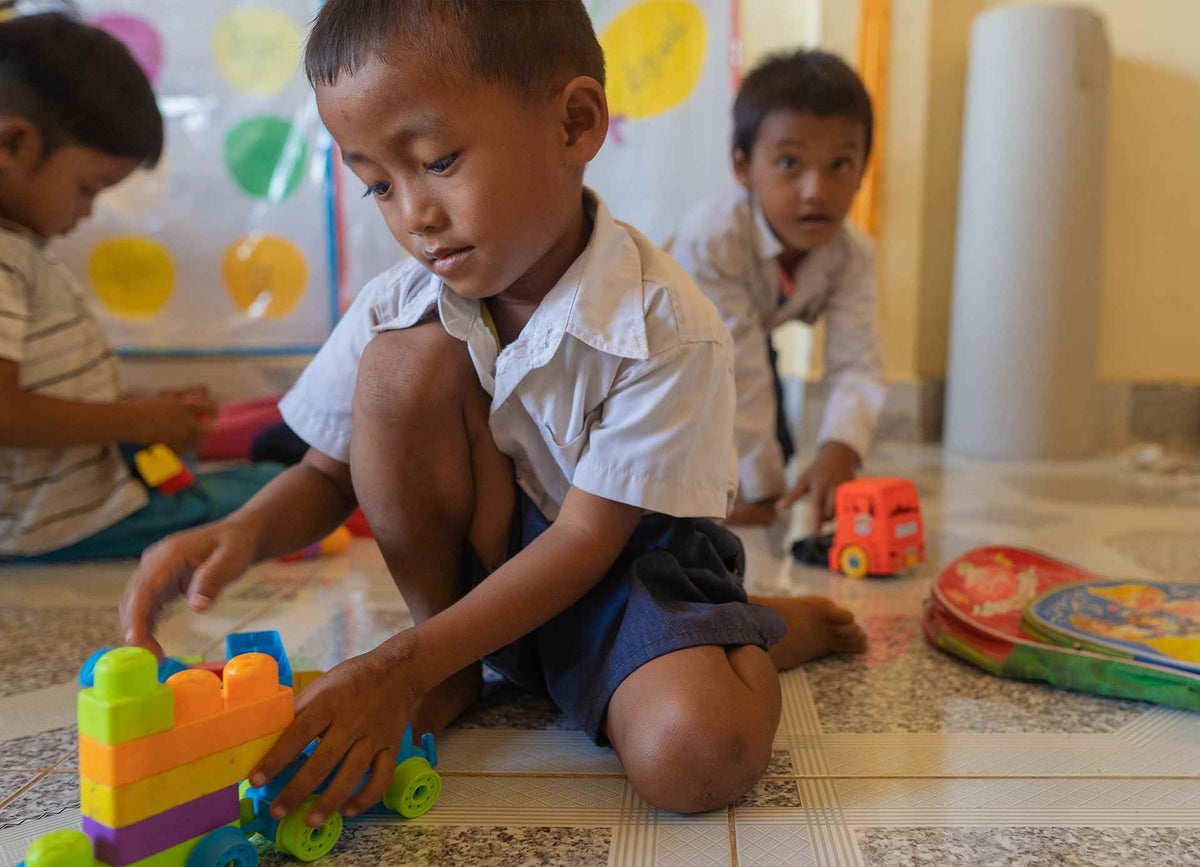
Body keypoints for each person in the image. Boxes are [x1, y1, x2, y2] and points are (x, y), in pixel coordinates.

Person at [119, 0, 866, 819]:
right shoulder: (399, 302)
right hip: (486, 571)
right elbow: (328, 472)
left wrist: (392, 666)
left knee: (695, 758)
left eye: (438, 161)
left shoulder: (666, 326)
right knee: (398, 367)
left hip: (627, 568)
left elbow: (587, 543)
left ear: (575, 124)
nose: (413, 214)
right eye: (376, 183)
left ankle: (748, 629)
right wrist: (243, 532)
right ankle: (450, 656)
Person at [0, 13, 279, 560]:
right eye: (88, 188)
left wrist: (136, 411)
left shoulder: (19, 247)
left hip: (74, 499)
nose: (85, 213)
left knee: (246, 478)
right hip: (57, 524)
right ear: (14, 144)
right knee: (276, 491)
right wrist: (134, 419)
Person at [671, 50, 886, 531]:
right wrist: (761, 489)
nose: (816, 189)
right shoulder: (713, 239)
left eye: (840, 164)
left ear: (863, 170)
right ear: (744, 168)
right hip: (666, 348)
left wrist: (841, 448)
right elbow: (735, 367)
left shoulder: (854, 254)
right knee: (696, 464)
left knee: (771, 451)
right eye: (790, 163)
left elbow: (858, 362)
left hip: (742, 334)